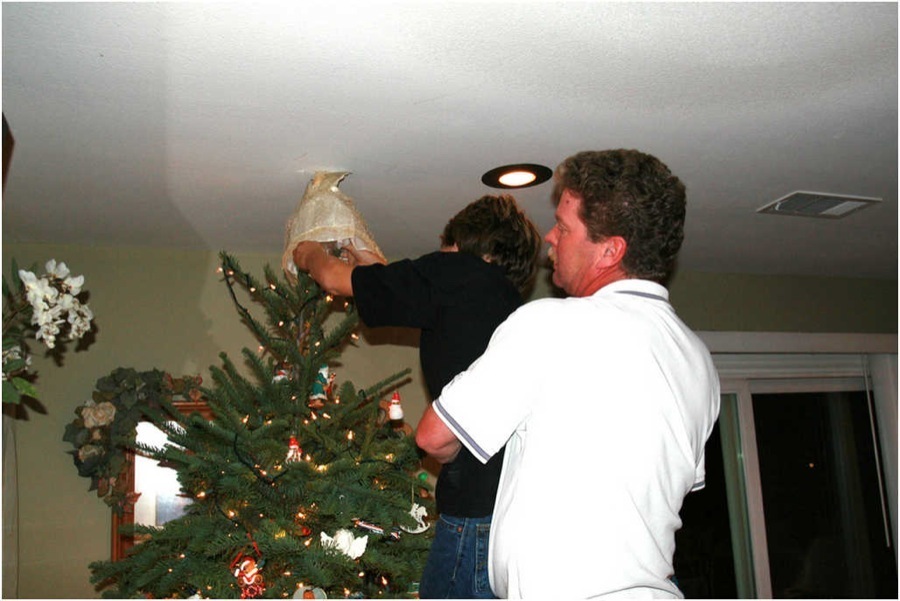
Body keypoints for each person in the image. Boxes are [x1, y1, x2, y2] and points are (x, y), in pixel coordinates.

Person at [416, 149, 721, 599]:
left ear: (611, 250)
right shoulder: (698, 360)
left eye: (564, 226)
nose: (548, 237)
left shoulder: (550, 324)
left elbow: (433, 436)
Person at [292, 194, 542, 599]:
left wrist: (305, 251)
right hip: (515, 515)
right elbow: (387, 285)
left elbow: (337, 279)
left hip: (472, 510)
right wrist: (356, 244)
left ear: (460, 245)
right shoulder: (509, 305)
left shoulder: (454, 274)